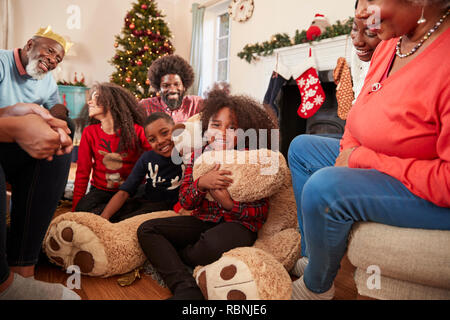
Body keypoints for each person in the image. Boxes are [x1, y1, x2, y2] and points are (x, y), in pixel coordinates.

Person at [288, 0, 450, 300]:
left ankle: (316, 285)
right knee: (302, 148)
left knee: (324, 188)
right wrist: (347, 153)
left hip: (430, 187)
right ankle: (315, 254)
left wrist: (361, 158)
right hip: (385, 159)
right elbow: (358, 113)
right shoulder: (391, 45)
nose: (362, 13)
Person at [136, 85, 278, 300]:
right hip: (204, 220)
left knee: (209, 245)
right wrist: (201, 183)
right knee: (147, 229)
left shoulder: (252, 159)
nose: (221, 133)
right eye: (216, 125)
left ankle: (183, 256)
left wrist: (230, 204)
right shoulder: (197, 156)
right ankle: (186, 288)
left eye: (231, 128)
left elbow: (261, 213)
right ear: (206, 126)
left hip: (237, 225)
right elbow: (185, 200)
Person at [0, 26, 80, 300]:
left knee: (60, 143)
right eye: (50, 51)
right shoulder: (1, 62)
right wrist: (15, 127)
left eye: (59, 58)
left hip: (21, 148)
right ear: (30, 43)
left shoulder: (46, 79)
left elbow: (55, 105)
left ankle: (22, 267)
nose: (53, 60)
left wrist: (58, 118)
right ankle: (3, 284)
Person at [72, 82, 152, 214]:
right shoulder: (89, 132)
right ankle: (117, 215)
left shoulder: (137, 131)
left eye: (95, 97)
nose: (89, 102)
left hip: (130, 192)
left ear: (110, 102)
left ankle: (113, 214)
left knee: (142, 205)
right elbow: (82, 172)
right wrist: (75, 210)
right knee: (83, 208)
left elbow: (155, 156)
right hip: (100, 191)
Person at [100, 112, 184, 222]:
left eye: (164, 133)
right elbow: (125, 191)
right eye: (152, 140)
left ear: (176, 129)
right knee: (109, 213)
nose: (160, 141)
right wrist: (103, 217)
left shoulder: (188, 154)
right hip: (148, 203)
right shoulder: (147, 158)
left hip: (171, 209)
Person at [139, 55, 202, 123]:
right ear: (159, 88)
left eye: (176, 84)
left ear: (184, 86)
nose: (172, 90)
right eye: (166, 85)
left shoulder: (196, 104)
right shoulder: (145, 106)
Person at [350, 0, 382, 101]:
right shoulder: (355, 53)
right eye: (355, 28)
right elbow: (357, 89)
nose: (357, 42)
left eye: (370, 33)